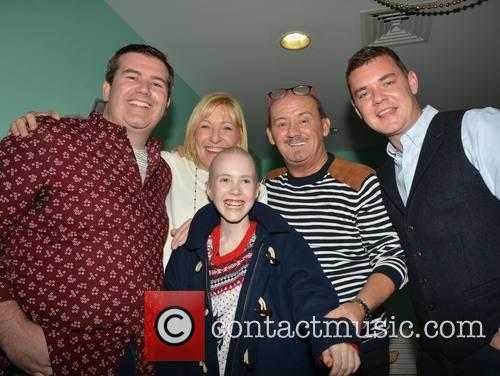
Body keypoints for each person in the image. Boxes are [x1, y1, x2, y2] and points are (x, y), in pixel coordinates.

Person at [0, 44, 173, 375]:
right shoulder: (48, 137)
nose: (144, 90)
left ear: (166, 104)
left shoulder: (162, 173)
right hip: (52, 355)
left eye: (157, 84)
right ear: (107, 88)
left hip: (138, 357)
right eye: (132, 76)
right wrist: (10, 329)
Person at [345, 46, 500, 375]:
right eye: (364, 93)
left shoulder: (475, 126)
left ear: (412, 81)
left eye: (387, 82)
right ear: (358, 111)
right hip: (433, 355)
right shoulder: (385, 174)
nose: (378, 98)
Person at [156, 147, 361, 376]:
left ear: (256, 190)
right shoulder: (185, 252)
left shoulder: (286, 242)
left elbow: (312, 294)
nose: (235, 190)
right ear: (209, 190)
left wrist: (334, 337)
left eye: (245, 181)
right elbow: (171, 342)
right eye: (225, 180)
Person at [8, 93, 266, 268]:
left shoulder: (257, 190)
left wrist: (206, 219)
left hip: (230, 293)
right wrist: (51, 125)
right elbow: (104, 150)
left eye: (227, 128)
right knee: (176, 352)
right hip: (170, 295)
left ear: (239, 135)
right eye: (205, 126)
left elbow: (258, 236)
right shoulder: (168, 165)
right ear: (193, 132)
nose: (215, 138)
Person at [263, 85, 408, 375]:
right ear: (270, 136)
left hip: (358, 344)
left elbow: (394, 258)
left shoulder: (361, 181)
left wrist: (359, 308)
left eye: (304, 119)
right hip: (290, 349)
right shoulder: (265, 190)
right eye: (281, 123)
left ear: (325, 126)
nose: (293, 131)